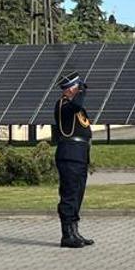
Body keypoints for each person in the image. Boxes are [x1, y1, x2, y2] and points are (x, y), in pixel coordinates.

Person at [52, 71, 94, 248]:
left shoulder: (76, 107)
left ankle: (75, 231)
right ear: (70, 89)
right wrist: (81, 91)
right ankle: (67, 235)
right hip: (69, 154)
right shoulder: (63, 104)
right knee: (69, 194)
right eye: (77, 87)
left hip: (80, 154)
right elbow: (76, 105)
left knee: (78, 193)